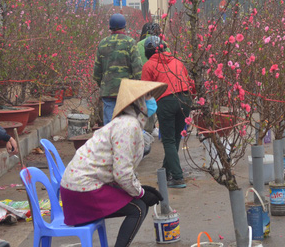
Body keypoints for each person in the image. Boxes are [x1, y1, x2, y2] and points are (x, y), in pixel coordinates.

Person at [60, 79, 166, 247]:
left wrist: (139, 189)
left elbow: (120, 171)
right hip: (81, 191)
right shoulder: (128, 126)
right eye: (147, 96)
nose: (151, 100)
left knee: (138, 203)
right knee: (138, 208)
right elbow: (122, 173)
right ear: (138, 102)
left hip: (81, 187)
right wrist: (141, 193)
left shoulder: (129, 123)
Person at [141, 36, 195, 188]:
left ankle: (177, 177)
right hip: (185, 99)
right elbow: (190, 82)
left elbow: (146, 90)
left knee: (169, 140)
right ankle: (166, 171)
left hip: (166, 101)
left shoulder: (149, 65)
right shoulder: (177, 61)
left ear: (147, 51)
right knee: (175, 138)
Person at [93, 14, 143, 125]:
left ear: (110, 28)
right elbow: (138, 69)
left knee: (110, 125)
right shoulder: (130, 43)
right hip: (126, 91)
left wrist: (103, 85)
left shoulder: (102, 44)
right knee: (127, 124)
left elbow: (96, 72)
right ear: (124, 27)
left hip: (108, 91)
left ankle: (111, 142)